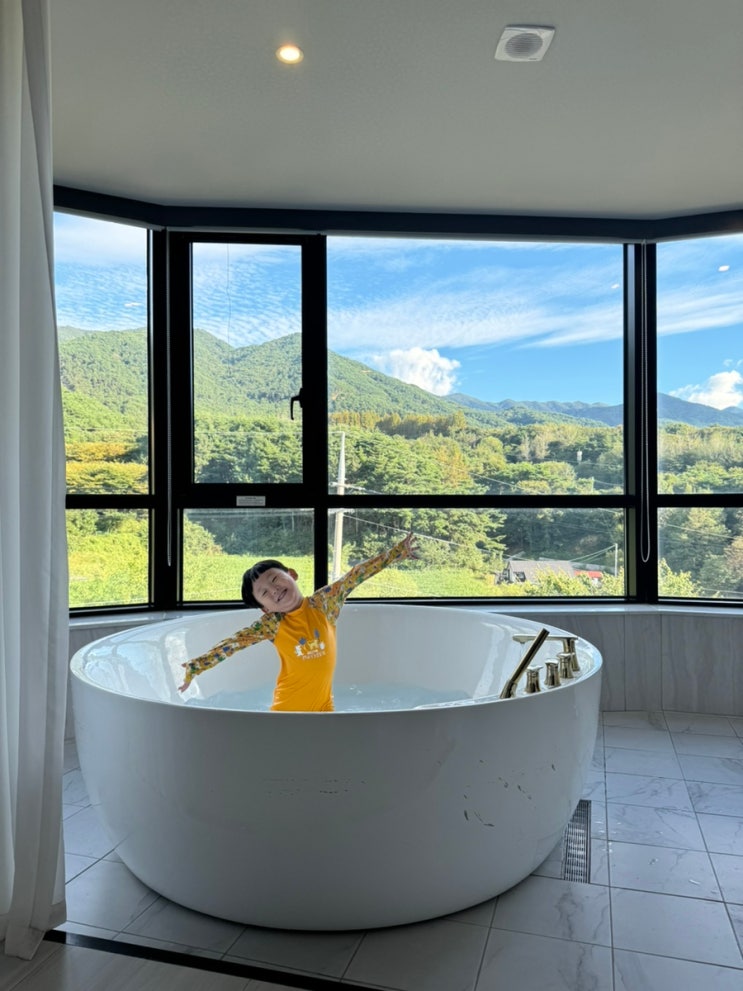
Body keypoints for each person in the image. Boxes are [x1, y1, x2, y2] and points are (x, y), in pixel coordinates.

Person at [178, 532, 418, 710]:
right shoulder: (272, 624)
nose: (274, 590)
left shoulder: (324, 603)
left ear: (291, 574)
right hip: (287, 709)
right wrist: (196, 666)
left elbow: (355, 576)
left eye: (274, 579)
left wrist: (396, 553)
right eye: (264, 593)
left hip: (324, 705)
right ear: (265, 609)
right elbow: (233, 644)